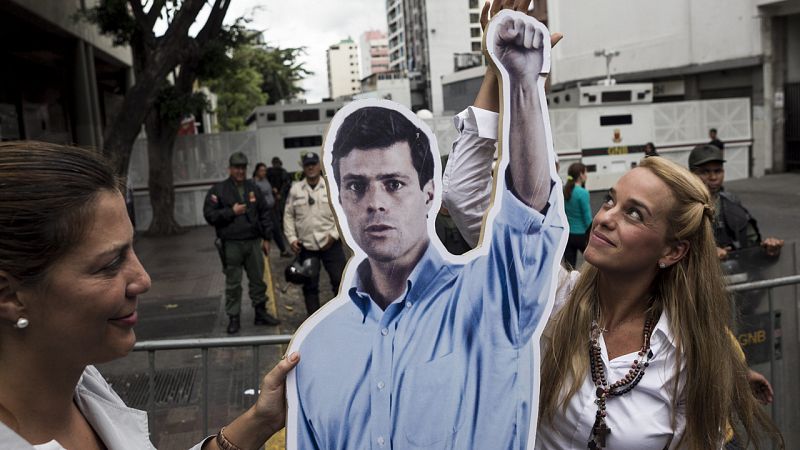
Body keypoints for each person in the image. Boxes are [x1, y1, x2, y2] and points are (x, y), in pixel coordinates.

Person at [441, 4, 782, 448]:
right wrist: (497, 74)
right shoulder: (553, 299)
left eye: (634, 213)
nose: (605, 218)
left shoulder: (693, 354)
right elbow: (463, 196)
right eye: (610, 200)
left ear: (672, 250)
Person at [288, 10, 565, 449]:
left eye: (394, 184)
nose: (375, 202)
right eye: (356, 186)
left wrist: (523, 83)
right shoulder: (318, 348)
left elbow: (527, 217)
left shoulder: (488, 300)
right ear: (339, 196)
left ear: (429, 193)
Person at [0, 141, 299, 450]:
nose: (143, 279)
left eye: (133, 249)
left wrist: (262, 420)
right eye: (110, 264)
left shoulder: (79, 380)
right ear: (9, 296)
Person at [203, 152, 280, 334]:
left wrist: (267, 238)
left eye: (243, 168)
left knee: (258, 280)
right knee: (233, 283)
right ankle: (234, 317)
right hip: (231, 244)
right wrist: (231, 211)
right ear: (230, 169)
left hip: (253, 242)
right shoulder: (219, 190)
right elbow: (210, 215)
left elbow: (264, 213)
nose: (240, 171)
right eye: (237, 168)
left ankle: (260, 313)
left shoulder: (253, 188)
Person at [688, 144, 784, 260]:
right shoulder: (679, 209)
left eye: (718, 171)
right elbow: (672, 254)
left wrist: (769, 251)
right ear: (691, 175)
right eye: (705, 172)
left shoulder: (732, 204)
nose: (713, 177)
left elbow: (751, 250)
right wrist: (705, 255)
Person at [283, 152, 346, 315]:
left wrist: (334, 235)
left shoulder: (331, 187)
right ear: (303, 168)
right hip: (307, 246)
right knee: (310, 286)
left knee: (340, 282)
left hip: (331, 244)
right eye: (307, 165)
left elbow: (342, 212)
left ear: (319, 166)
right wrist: (292, 238)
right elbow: (288, 215)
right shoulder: (296, 189)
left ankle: (343, 317)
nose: (310, 167)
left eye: (313, 164)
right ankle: (313, 320)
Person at [253, 162, 290, 256]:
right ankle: (264, 252)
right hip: (263, 211)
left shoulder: (265, 180)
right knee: (266, 231)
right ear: (257, 171)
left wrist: (274, 191)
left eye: (265, 171)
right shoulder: (254, 183)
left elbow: (269, 191)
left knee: (276, 229)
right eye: (261, 171)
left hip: (272, 208)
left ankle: (283, 250)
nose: (264, 172)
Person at [563, 162, 592, 267]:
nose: (587, 175)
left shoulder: (564, 190)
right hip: (581, 235)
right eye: (585, 172)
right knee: (593, 263)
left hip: (568, 235)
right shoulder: (583, 193)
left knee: (569, 267)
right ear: (580, 174)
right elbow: (587, 218)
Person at [266, 157, 293, 257]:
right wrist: (279, 193)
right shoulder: (276, 172)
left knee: (281, 215)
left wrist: (278, 193)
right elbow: (287, 184)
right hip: (278, 198)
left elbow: (286, 184)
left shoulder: (272, 172)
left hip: (278, 198)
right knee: (280, 215)